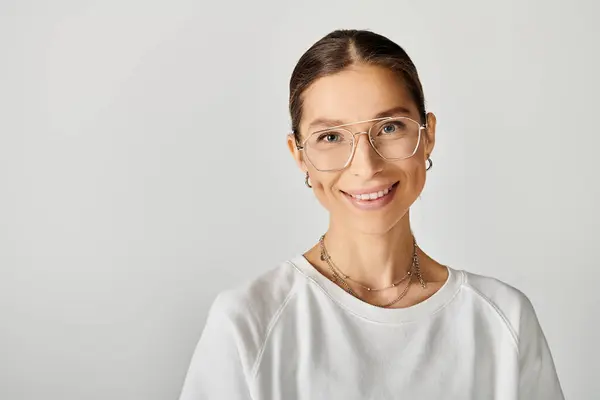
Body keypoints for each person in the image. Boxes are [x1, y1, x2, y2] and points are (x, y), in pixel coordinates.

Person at [178, 29, 564, 400]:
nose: (366, 166)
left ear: (427, 134)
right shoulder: (249, 322)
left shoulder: (502, 320)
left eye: (390, 127)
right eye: (330, 137)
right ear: (300, 155)